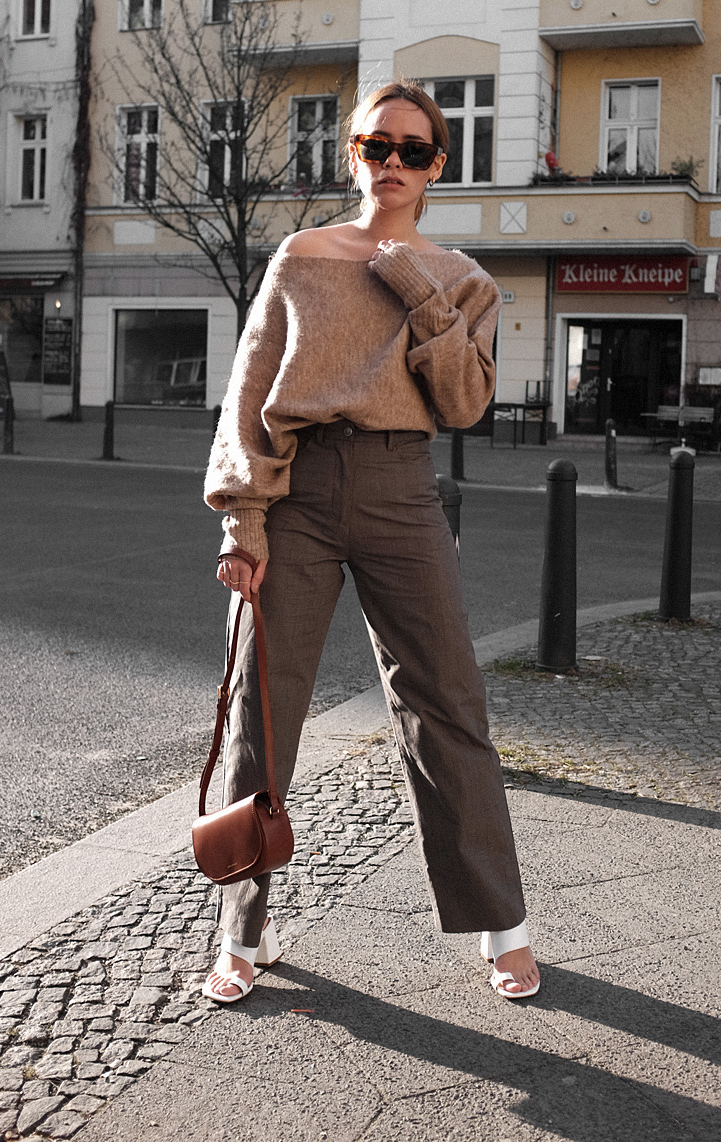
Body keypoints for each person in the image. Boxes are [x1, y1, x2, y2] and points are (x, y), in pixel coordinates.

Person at [200, 79, 540, 1006]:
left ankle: (500, 924)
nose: (392, 164)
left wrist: (415, 284)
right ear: (352, 154)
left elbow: (465, 401)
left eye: (413, 150)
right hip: (299, 490)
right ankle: (243, 929)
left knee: (447, 700)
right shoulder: (302, 257)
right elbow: (250, 391)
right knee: (263, 712)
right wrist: (244, 518)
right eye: (375, 146)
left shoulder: (464, 278)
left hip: (402, 490)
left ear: (438, 165)